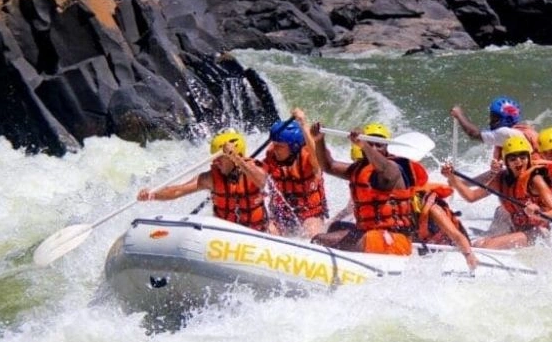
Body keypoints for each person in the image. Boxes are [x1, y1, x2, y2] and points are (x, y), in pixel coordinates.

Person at [311, 121, 430, 255]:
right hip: (372, 234)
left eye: (378, 144)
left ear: (386, 148)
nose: (374, 147)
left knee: (319, 239)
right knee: (336, 226)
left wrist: (365, 144)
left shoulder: (393, 168)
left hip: (393, 240)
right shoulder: (358, 169)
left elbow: (385, 170)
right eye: (370, 143)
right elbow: (328, 166)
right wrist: (319, 140)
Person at [137, 129, 273, 232]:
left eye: (220, 158)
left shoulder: (253, 170)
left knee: (273, 229)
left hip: (257, 233)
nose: (215, 162)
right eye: (214, 158)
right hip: (226, 235)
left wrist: (236, 158)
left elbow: (261, 181)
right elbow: (178, 190)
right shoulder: (211, 178)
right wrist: (153, 194)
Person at [441, 134, 552, 249]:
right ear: (506, 162)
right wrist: (452, 178)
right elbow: (471, 196)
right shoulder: (500, 179)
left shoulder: (536, 180)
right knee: (478, 244)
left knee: (487, 246)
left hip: (541, 231)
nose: (518, 162)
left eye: (523, 157)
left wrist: (537, 214)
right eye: (513, 159)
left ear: (528, 158)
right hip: (518, 226)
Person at [263, 107, 328, 237]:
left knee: (312, 231)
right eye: (274, 144)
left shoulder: (309, 161)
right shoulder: (271, 158)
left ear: (294, 146)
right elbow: (256, 175)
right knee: (268, 231)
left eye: (279, 146)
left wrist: (303, 123)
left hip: (310, 215)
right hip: (280, 216)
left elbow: (314, 150)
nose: (275, 149)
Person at [413, 182, 480, 270]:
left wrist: (468, 255)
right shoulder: (398, 213)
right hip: (424, 245)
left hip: (450, 245)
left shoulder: (434, 210)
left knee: (479, 244)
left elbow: (457, 236)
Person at [450, 96, 541, 160]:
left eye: (494, 119)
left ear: (507, 119)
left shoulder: (505, 133)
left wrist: (459, 114)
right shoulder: (524, 129)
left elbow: (473, 134)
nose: (490, 122)